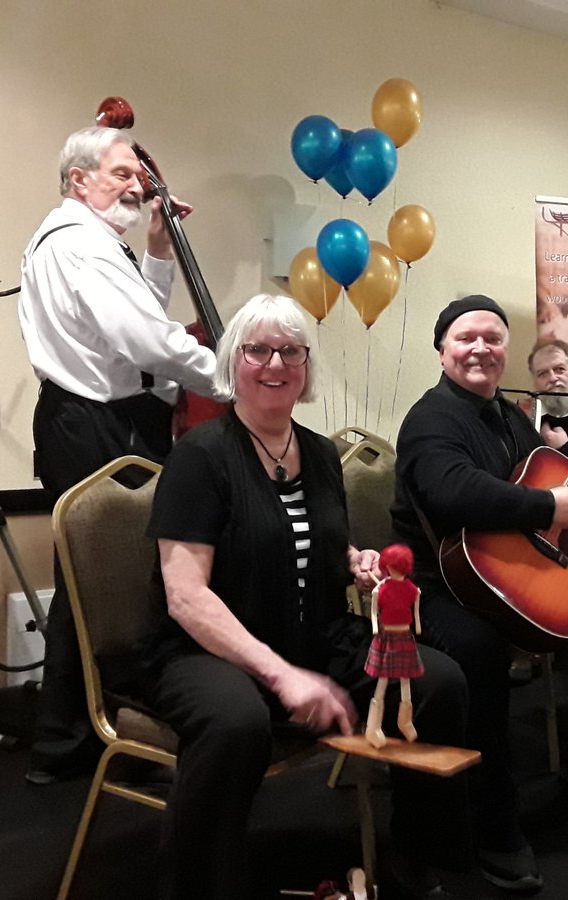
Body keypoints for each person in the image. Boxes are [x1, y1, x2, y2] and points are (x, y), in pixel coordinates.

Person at [142, 294, 468, 898]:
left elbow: (305, 544)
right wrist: (281, 675)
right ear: (232, 363)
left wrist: (354, 562)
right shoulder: (199, 457)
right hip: (205, 651)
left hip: (313, 634)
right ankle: (201, 884)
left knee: (439, 684)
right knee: (236, 722)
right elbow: (186, 597)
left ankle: (414, 856)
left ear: (306, 366)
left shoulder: (319, 454)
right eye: (257, 349)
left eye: (290, 350)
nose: (275, 363)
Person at [392, 294, 568, 896]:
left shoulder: (510, 415)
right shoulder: (430, 418)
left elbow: (540, 475)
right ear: (441, 351)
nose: (480, 349)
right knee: (479, 652)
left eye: (493, 339)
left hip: (504, 564)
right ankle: (492, 821)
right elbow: (453, 491)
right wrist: (548, 505)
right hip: (440, 579)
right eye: (466, 338)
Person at [18, 126, 219, 783]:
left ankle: (67, 737)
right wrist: (230, 373)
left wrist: (159, 250)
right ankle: (80, 735)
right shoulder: (81, 246)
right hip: (95, 424)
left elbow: (138, 317)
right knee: (107, 581)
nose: (136, 186)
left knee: (93, 580)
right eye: (120, 174)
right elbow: (149, 340)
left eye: (138, 175)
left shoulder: (91, 244)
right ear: (79, 180)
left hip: (96, 421)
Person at [364, 544, 423, 748]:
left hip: (404, 635)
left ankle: (405, 720)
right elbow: (373, 611)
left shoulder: (411, 589)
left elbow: (415, 610)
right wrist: (374, 626)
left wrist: (417, 626)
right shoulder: (380, 589)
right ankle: (373, 727)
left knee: (405, 679)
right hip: (386, 636)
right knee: (383, 679)